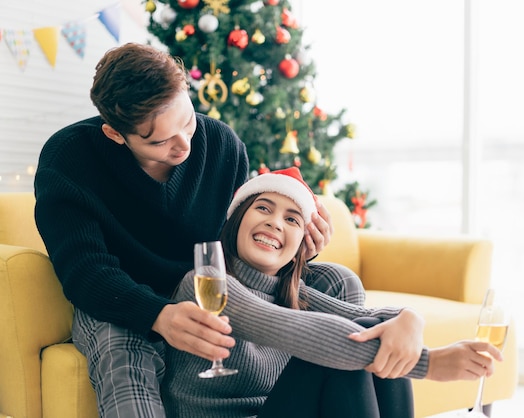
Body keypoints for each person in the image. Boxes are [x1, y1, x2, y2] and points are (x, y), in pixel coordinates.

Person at [33, 43, 363, 418]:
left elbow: (236, 241)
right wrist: (158, 314)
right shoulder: (69, 158)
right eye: (160, 141)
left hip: (210, 283)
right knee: (120, 348)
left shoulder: (221, 143)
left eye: (188, 122)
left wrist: (300, 247)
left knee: (337, 281)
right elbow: (85, 273)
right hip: (123, 295)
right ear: (115, 134)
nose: (185, 145)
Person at [161, 167, 503, 418]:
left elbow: (369, 321)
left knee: (379, 342)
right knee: (340, 356)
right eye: (263, 208)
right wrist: (430, 364)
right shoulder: (205, 283)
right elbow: (307, 332)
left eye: (293, 219)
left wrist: (409, 319)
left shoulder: (293, 294)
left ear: (300, 246)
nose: (275, 223)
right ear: (236, 219)